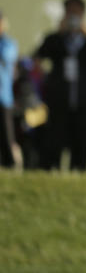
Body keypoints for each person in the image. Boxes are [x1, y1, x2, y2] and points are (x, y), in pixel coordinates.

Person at [33, 0, 86, 171]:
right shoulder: (55, 39)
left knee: (81, 144)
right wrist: (59, 33)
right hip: (59, 102)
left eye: (76, 13)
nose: (73, 17)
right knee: (55, 142)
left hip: (83, 103)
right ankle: (52, 171)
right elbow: (39, 56)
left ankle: (79, 172)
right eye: (69, 12)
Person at [0, 10, 19, 168]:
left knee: (6, 136)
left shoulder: (7, 43)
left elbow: (7, 56)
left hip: (3, 98)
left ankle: (10, 165)